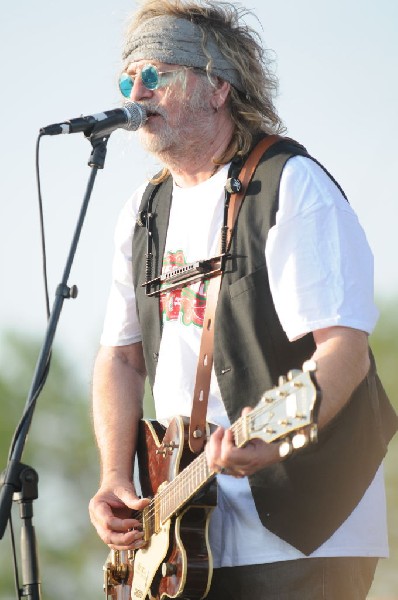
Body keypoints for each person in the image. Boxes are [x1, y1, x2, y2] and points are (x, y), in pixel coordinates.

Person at [89, 1, 397, 598]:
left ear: (217, 87)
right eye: (127, 79)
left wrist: (273, 436)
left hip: (306, 528)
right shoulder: (143, 212)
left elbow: (345, 351)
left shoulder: (291, 184)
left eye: (156, 75)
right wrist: (111, 478)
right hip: (183, 537)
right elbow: (121, 358)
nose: (136, 91)